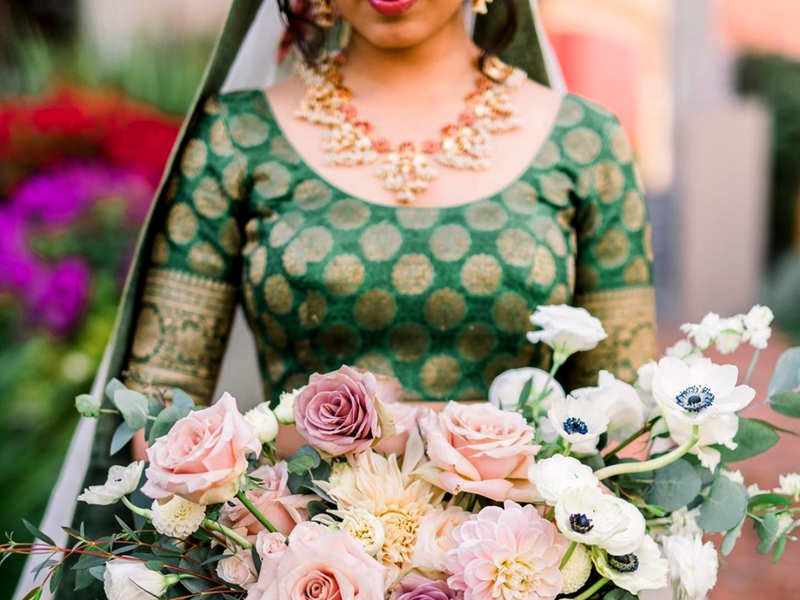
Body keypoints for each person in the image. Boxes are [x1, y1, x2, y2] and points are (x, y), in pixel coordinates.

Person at [47, 1, 657, 597]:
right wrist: (428, 442)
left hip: (525, 575)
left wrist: (407, 441)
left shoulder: (584, 143)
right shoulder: (237, 138)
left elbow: (626, 427)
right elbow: (159, 424)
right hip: (298, 574)